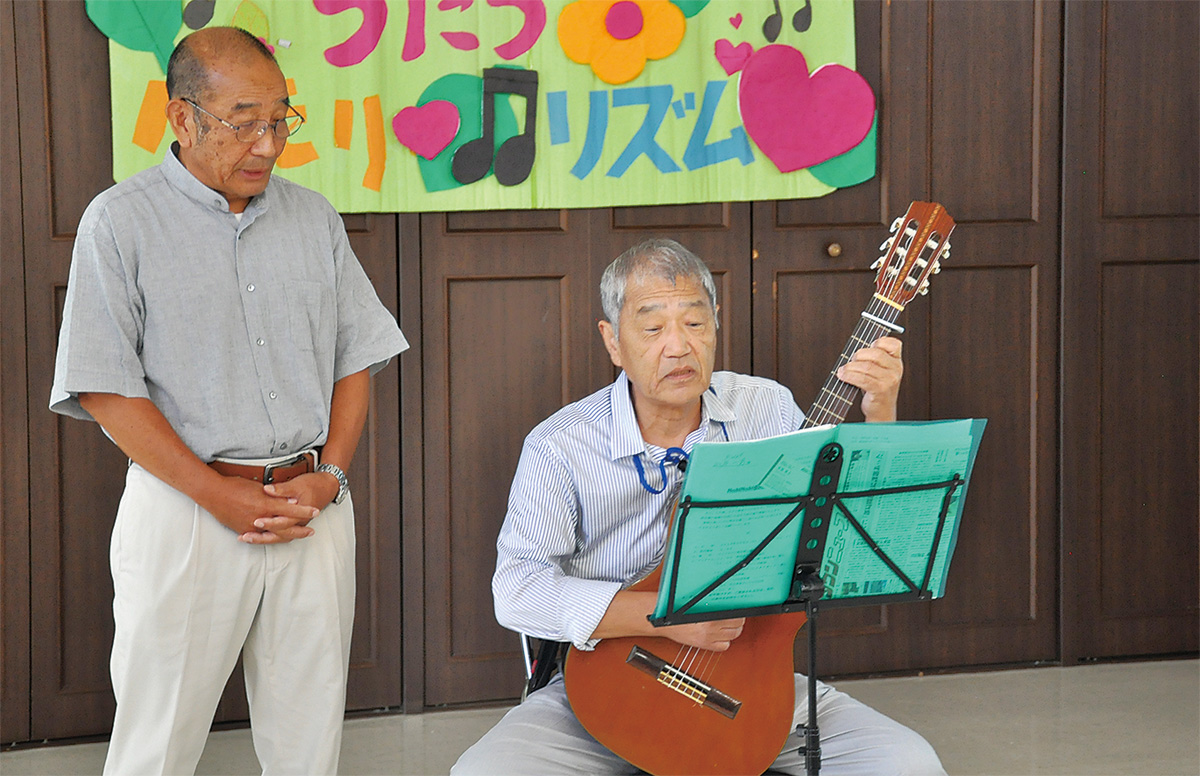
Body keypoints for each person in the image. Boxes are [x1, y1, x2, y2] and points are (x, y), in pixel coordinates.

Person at [49, 27, 407, 775]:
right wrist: (216, 494)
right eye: (244, 121)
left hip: (311, 509)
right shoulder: (120, 222)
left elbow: (356, 357)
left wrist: (333, 476)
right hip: (186, 517)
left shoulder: (313, 219)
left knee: (309, 739)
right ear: (183, 119)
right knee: (157, 742)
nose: (269, 143)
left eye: (280, 119)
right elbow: (107, 389)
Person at [452, 239, 946, 775]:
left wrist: (881, 414)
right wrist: (665, 621)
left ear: (716, 323)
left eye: (694, 323)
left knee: (908, 764)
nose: (678, 347)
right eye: (652, 328)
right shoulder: (561, 445)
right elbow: (517, 591)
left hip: (752, 685)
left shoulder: (767, 408)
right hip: (607, 680)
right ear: (613, 341)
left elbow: (849, 540)